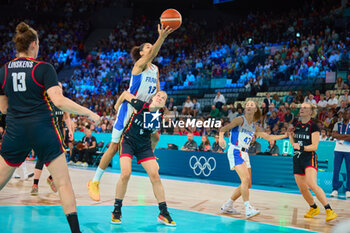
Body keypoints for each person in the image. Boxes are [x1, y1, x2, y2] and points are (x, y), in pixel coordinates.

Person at [0, 22, 100, 233]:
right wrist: (89, 112)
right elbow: (59, 101)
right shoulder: (43, 68)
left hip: (16, 131)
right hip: (43, 130)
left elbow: (3, 108)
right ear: (34, 44)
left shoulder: (4, 71)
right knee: (63, 183)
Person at [88, 24, 173, 201]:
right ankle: (95, 181)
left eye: (152, 45)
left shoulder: (155, 69)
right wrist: (161, 38)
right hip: (129, 110)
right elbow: (152, 55)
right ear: (142, 53)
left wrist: (161, 105)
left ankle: (147, 154)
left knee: (155, 137)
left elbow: (157, 90)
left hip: (145, 111)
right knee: (113, 147)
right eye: (147, 47)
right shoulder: (139, 66)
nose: (150, 49)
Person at [109, 90, 175, 226]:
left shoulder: (159, 114)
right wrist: (116, 107)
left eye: (163, 98)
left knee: (155, 175)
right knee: (126, 173)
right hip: (128, 141)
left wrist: (152, 153)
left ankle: (163, 213)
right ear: (153, 98)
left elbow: (155, 137)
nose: (160, 98)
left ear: (164, 104)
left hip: (144, 146)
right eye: (158, 95)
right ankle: (116, 210)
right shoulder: (140, 106)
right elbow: (125, 94)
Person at [219, 101, 287, 218]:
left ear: (256, 109)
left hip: (245, 153)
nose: (249, 106)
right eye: (248, 104)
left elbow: (269, 137)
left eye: (252, 104)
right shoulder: (239, 120)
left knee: (248, 183)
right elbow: (223, 129)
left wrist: (285, 135)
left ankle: (227, 205)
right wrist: (221, 138)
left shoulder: (254, 126)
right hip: (235, 151)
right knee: (245, 179)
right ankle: (248, 208)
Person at [287, 102, 337, 222]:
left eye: (305, 108)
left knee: (311, 183)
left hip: (309, 157)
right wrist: (290, 135)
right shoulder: (296, 124)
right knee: (302, 188)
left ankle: (329, 210)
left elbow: (314, 146)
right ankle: (313, 207)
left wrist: (301, 147)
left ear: (311, 112)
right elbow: (294, 143)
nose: (302, 109)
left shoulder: (314, 126)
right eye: (301, 107)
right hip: (297, 158)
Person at [31, 82, 74, 195]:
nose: (59, 90)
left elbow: (67, 117)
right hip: (46, 131)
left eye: (60, 88)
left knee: (62, 157)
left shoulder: (63, 101)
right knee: (42, 157)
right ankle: (35, 184)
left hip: (59, 132)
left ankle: (51, 178)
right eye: (57, 87)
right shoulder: (46, 100)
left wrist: (70, 130)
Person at [331, 109, 350, 198]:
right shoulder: (337, 124)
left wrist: (340, 136)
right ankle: (335, 189)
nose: (345, 115)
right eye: (343, 113)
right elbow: (334, 135)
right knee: (336, 170)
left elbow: (337, 135)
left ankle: (348, 190)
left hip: (349, 150)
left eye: (347, 113)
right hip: (338, 149)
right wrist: (346, 136)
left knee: (349, 170)